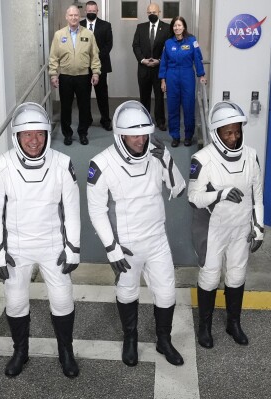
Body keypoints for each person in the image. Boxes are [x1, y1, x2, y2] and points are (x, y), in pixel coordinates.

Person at [86, 100, 186, 367]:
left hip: (157, 240)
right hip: (126, 245)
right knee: (127, 292)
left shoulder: (156, 153)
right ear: (120, 134)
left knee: (166, 294)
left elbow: (179, 188)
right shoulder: (101, 163)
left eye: (145, 133)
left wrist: (167, 160)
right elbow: (96, 211)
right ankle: (130, 338)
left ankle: (163, 340)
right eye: (135, 134)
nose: (141, 139)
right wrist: (112, 248)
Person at [0, 102, 81, 378]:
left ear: (47, 133)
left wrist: (72, 247)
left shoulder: (62, 163)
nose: (34, 140)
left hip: (53, 245)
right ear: (16, 136)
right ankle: (20, 351)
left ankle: (66, 351)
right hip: (16, 247)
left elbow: (72, 209)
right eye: (27, 134)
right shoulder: (1, 165)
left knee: (63, 300)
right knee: (15, 303)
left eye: (39, 133)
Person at [187, 101, 264, 349]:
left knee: (236, 276)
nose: (234, 137)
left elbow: (258, 196)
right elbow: (193, 198)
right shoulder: (202, 159)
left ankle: (234, 323)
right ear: (216, 133)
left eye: (237, 131)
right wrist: (219, 194)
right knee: (210, 278)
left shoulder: (251, 156)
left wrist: (259, 227)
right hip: (214, 229)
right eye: (228, 132)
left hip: (241, 227)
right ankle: (205, 327)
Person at [49, 5, 101, 146]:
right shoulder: (59, 35)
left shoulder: (88, 34)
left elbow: (94, 56)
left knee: (84, 107)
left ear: (80, 17)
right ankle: (67, 134)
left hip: (83, 77)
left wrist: (95, 72)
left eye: (76, 15)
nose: (73, 18)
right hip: (65, 77)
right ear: (67, 17)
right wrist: (54, 74)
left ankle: (83, 133)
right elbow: (53, 57)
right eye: (71, 15)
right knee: (65, 107)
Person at [159, 16, 207, 148]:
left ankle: (188, 136)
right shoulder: (168, 43)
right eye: (175, 25)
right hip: (172, 76)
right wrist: (163, 80)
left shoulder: (192, 41)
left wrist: (201, 74)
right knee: (173, 108)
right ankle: (175, 136)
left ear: (184, 26)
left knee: (188, 107)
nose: (177, 28)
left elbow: (197, 58)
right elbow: (164, 63)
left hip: (187, 76)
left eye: (179, 25)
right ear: (172, 28)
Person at [132, 3, 169, 131]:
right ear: (147, 13)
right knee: (144, 95)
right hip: (144, 68)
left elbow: (168, 49)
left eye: (154, 12)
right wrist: (143, 60)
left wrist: (159, 60)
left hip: (159, 68)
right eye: (149, 12)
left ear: (159, 12)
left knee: (159, 96)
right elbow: (135, 45)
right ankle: (145, 119)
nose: (152, 14)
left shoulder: (167, 28)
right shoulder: (140, 27)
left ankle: (160, 121)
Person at [80, 1, 113, 131]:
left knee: (102, 95)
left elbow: (108, 45)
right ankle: (87, 119)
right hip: (83, 67)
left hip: (101, 66)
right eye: (89, 11)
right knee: (84, 95)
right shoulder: (79, 25)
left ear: (97, 11)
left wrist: (95, 58)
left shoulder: (105, 25)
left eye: (94, 11)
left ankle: (105, 120)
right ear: (85, 11)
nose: (91, 13)